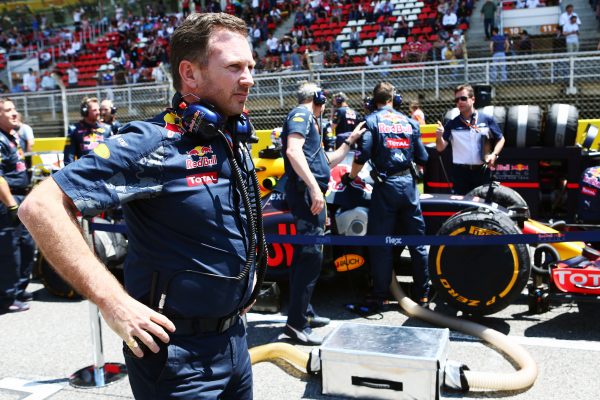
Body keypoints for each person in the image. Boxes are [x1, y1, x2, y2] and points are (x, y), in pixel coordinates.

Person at [19, 12, 262, 399]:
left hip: (233, 342)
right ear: (190, 74)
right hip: (177, 360)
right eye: (234, 67)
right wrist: (113, 302)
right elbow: (40, 206)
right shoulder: (151, 142)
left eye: (250, 66)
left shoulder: (226, 136)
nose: (249, 78)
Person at [281, 82, 366, 345]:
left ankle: (304, 312)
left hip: (310, 192)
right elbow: (293, 151)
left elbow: (324, 161)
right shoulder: (303, 114)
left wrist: (349, 141)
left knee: (308, 257)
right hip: (307, 194)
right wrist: (313, 188)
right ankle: (295, 324)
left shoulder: (310, 123)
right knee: (309, 257)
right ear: (318, 98)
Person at [345, 82, 430, 309]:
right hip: (410, 187)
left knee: (380, 243)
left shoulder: (371, 121)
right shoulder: (411, 122)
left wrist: (351, 178)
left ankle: (381, 294)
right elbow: (423, 156)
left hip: (385, 188)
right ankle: (423, 294)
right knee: (418, 243)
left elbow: (361, 155)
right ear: (395, 99)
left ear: (374, 101)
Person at [435, 84, 505, 195]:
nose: (460, 102)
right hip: (461, 173)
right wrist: (439, 136)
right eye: (457, 100)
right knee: (463, 208)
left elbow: (501, 139)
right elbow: (440, 147)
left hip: (482, 170)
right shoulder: (452, 123)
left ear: (473, 99)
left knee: (483, 207)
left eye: (463, 98)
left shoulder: (487, 119)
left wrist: (494, 155)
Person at [0, 98, 34, 314]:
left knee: (26, 245)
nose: (14, 113)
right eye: (8, 110)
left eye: (14, 109)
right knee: (8, 250)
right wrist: (12, 206)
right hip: (8, 200)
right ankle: (6, 297)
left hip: (21, 196)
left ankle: (18, 289)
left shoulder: (12, 135)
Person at [63, 97, 112, 165]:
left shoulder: (107, 129)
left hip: (104, 170)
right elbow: (69, 157)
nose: (98, 112)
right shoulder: (74, 130)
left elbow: (112, 153)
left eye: (98, 109)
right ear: (85, 111)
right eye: (94, 110)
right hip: (84, 171)